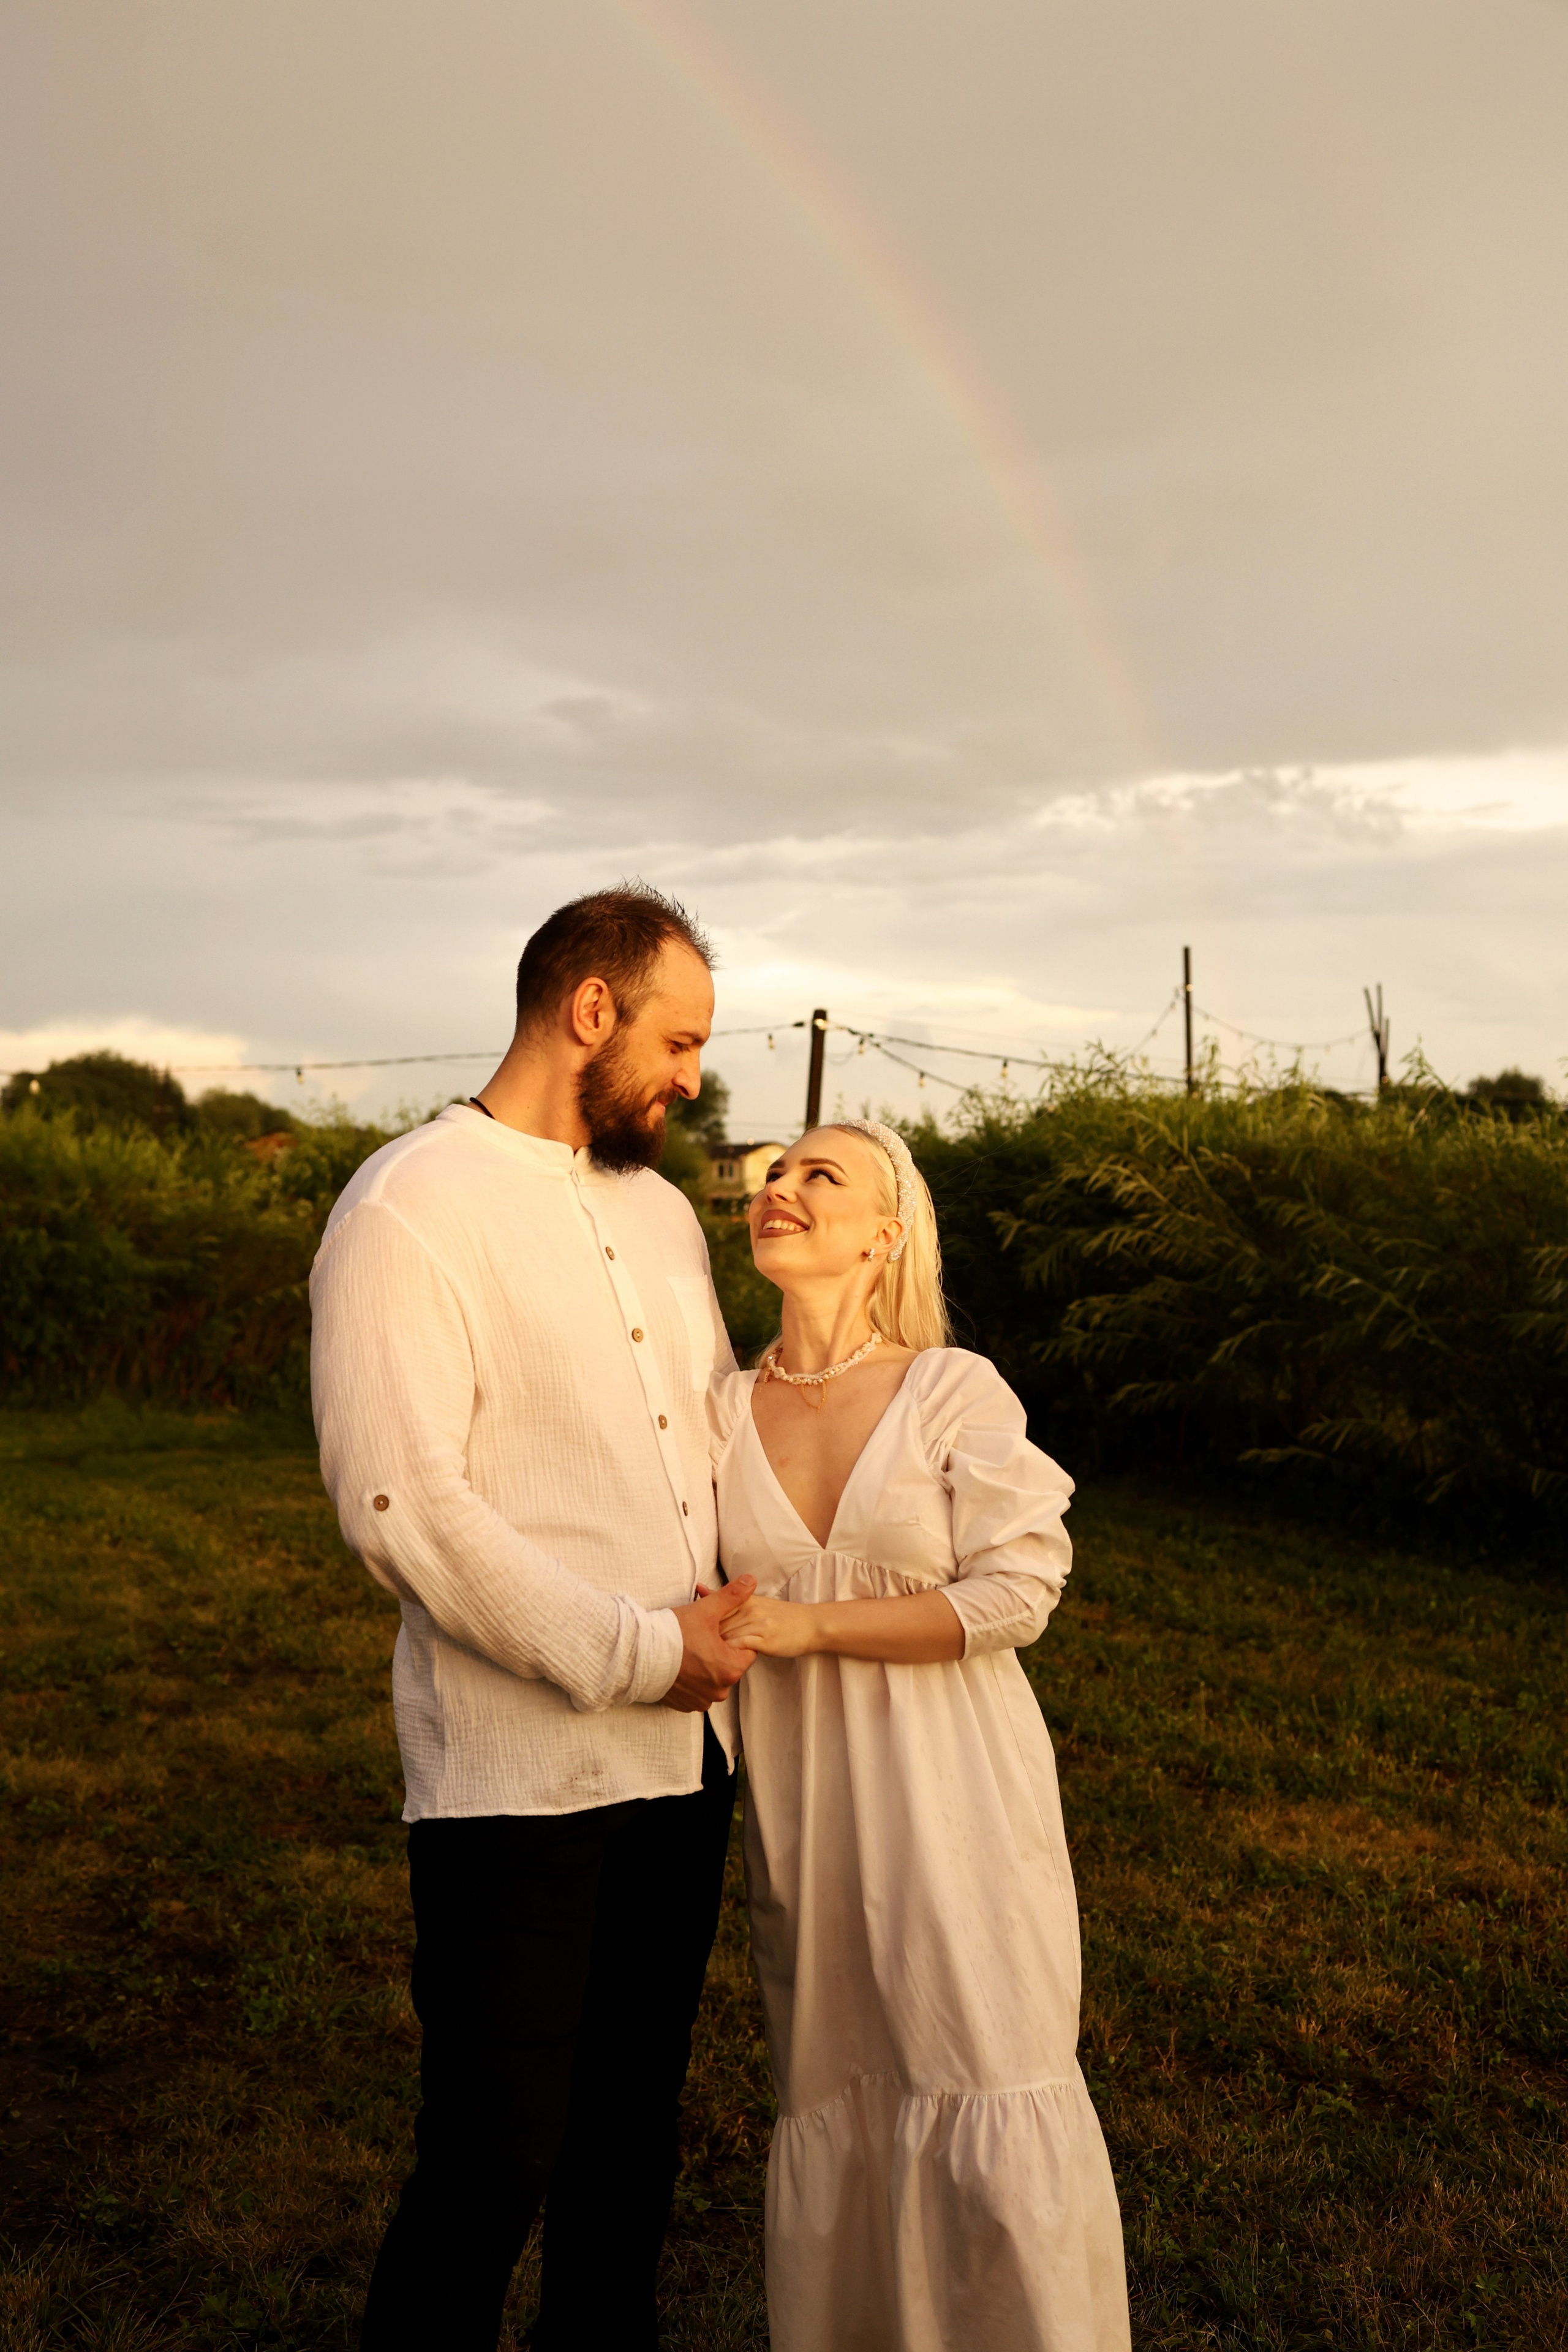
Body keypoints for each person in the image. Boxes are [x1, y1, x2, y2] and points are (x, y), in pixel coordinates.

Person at [310, 883, 758, 2352]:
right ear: (589, 1011)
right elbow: (405, 1511)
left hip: (688, 1775)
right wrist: (643, 1652)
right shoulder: (406, 1206)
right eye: (678, 1041)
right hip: (520, 1782)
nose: (692, 1078)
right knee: (493, 2162)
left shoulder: (664, 1219)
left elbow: (702, 1442)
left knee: (630, 2149)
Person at [710, 1120, 1131, 2352]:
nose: (778, 1189)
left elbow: (1017, 1593)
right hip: (806, 1809)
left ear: (883, 1236)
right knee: (842, 2094)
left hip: (954, 1797)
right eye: (772, 1173)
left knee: (981, 2070)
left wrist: (811, 1628)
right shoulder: (717, 1409)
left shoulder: (953, 1389)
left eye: (816, 1175)